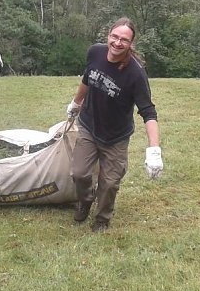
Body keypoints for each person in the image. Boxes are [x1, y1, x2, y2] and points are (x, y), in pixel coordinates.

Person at [66, 17, 164, 232]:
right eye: (115, 37)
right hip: (89, 125)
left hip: (116, 137)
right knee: (79, 173)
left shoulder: (135, 73)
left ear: (131, 43)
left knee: (109, 183)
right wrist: (76, 102)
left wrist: (154, 150)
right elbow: (87, 78)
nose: (118, 43)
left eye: (124, 40)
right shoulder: (95, 52)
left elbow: (148, 112)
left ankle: (102, 217)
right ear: (108, 35)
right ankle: (85, 200)